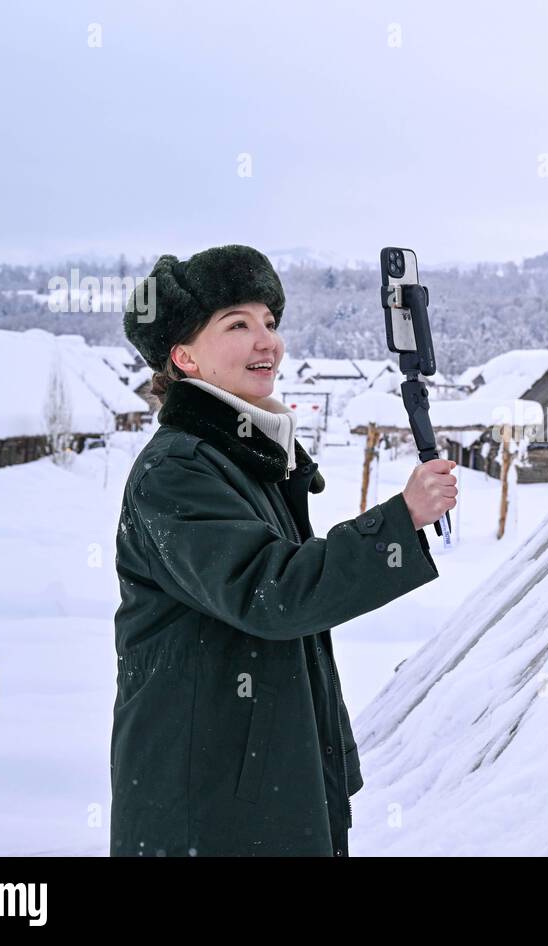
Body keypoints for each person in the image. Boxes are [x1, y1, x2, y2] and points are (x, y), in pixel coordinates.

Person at [111, 244, 456, 857]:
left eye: (269, 322)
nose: (265, 340)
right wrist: (400, 521)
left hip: (265, 785)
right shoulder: (176, 471)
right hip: (206, 805)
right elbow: (273, 593)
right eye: (237, 325)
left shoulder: (244, 457)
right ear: (183, 356)